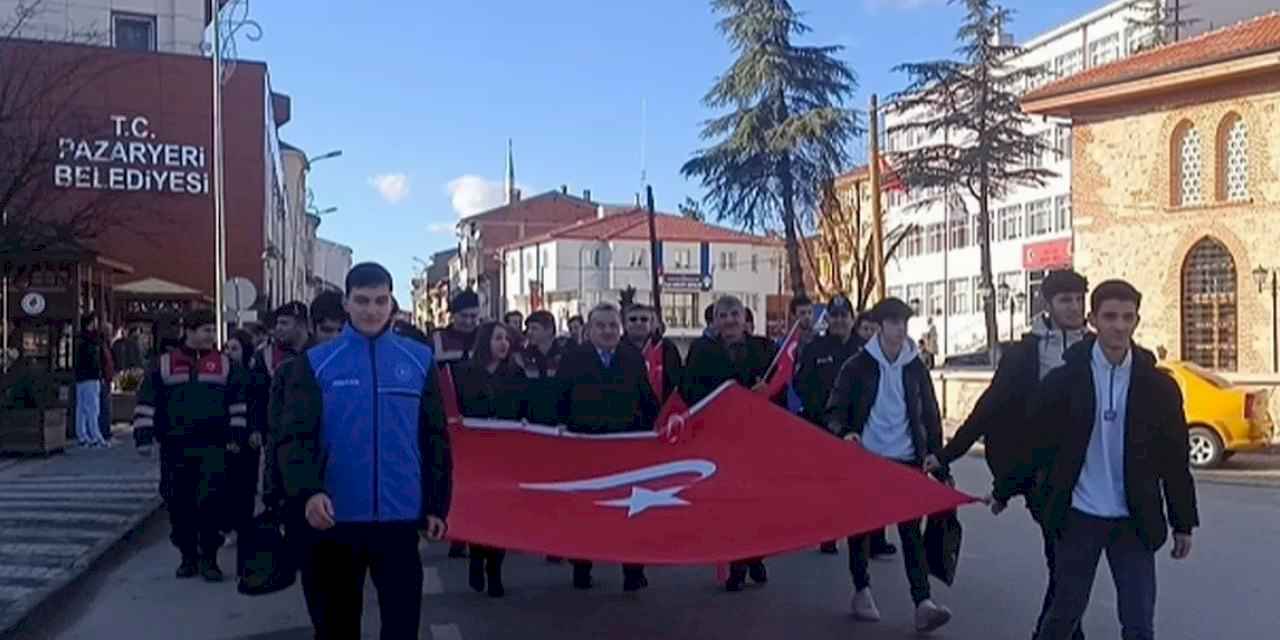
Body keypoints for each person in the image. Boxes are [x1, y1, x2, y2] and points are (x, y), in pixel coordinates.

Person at [989, 280, 1198, 640]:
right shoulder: (1064, 381)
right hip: (1079, 516)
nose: (1119, 325)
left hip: (1134, 518)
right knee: (1063, 616)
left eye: (1127, 317)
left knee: (1138, 623)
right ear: (1093, 320)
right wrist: (1004, 488)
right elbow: (1034, 444)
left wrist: (1183, 521)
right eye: (1110, 316)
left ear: (1136, 321)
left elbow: (1174, 459)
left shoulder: (1158, 388)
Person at [276, 262, 451, 639]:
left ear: (392, 303)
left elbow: (435, 436)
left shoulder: (417, 361)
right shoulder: (317, 364)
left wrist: (437, 504)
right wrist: (308, 492)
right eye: (362, 301)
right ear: (347, 303)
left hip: (400, 518)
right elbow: (294, 438)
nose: (372, 310)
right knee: (337, 627)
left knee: (402, 627)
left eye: (380, 300)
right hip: (336, 519)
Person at [925, 269, 1090, 640]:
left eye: (1080, 299)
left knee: (1068, 565)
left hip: (1088, 471)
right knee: (1064, 561)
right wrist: (948, 454)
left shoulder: (1095, 347)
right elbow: (990, 408)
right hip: (1039, 474)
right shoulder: (1024, 353)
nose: (1075, 307)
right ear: (1047, 304)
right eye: (1066, 300)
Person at [826, 297, 952, 632]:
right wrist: (846, 433)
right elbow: (835, 408)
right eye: (894, 323)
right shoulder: (857, 366)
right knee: (861, 527)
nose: (900, 330)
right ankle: (861, 589)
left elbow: (929, 414)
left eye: (904, 323)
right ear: (879, 327)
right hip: (867, 459)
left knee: (911, 532)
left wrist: (936, 457)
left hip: (907, 460)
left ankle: (923, 602)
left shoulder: (916, 367)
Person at [133, 309, 250, 582]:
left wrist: (236, 437)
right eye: (206, 330)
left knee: (211, 502)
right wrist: (144, 437)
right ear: (190, 332)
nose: (212, 335)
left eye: (213, 330)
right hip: (175, 446)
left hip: (214, 447)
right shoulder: (163, 364)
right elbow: (147, 401)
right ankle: (188, 556)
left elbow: (237, 403)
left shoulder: (224, 365)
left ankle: (210, 559)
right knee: (177, 501)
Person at [556, 302, 659, 592]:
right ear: (589, 330)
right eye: (601, 325)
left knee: (631, 511)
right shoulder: (573, 358)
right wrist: (558, 427)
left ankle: (633, 569)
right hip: (585, 446)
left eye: (613, 325)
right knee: (586, 511)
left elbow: (646, 398)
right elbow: (558, 396)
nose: (608, 331)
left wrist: (658, 428)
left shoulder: (632, 358)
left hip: (626, 446)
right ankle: (582, 565)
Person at [683, 295, 778, 591]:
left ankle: (754, 556)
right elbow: (689, 389)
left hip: (755, 437)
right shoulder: (701, 350)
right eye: (723, 316)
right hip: (719, 436)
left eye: (734, 314)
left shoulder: (764, 348)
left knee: (755, 502)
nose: (729, 321)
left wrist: (768, 390)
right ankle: (738, 561)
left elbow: (781, 384)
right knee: (729, 503)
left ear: (744, 317)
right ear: (715, 321)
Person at [793, 294, 872, 555]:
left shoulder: (866, 350)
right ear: (827, 319)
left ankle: (859, 532)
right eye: (834, 316)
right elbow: (801, 384)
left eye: (844, 316)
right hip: (824, 426)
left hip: (859, 427)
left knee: (858, 484)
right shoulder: (816, 348)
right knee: (828, 483)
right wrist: (821, 412)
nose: (839, 321)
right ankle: (829, 532)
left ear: (852, 319)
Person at [454, 321, 527, 598]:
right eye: (498, 338)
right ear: (486, 341)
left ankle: (495, 572)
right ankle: (476, 559)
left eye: (507, 339)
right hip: (475, 451)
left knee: (500, 514)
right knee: (479, 510)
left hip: (505, 452)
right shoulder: (464, 373)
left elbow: (525, 406)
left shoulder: (515, 374)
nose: (503, 344)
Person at [237, 302, 310, 535]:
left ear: (301, 326)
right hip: (276, 434)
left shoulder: (317, 352)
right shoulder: (265, 356)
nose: (278, 328)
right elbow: (256, 395)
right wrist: (256, 427)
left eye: (284, 323)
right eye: (277, 323)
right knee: (276, 487)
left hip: (312, 433)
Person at [519, 310, 573, 427]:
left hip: (559, 425)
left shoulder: (566, 357)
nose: (529, 333)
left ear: (548, 330)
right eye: (528, 329)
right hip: (530, 424)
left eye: (534, 328)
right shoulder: (524, 357)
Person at [621, 303, 683, 401]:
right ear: (624, 324)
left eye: (644, 319)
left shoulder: (666, 348)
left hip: (661, 410)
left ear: (651, 324)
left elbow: (678, 383)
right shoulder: (615, 349)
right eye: (633, 319)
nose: (638, 323)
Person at [74, 314, 108, 448]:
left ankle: (82, 436)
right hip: (91, 377)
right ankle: (96, 437)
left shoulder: (79, 339)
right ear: (91, 323)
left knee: (81, 408)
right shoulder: (93, 341)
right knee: (93, 408)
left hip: (80, 378)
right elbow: (95, 360)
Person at [432, 290, 481, 365]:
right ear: (453, 316)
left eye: (473, 316)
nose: (468, 321)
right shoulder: (439, 339)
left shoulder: (486, 338)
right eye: (463, 316)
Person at [98, 321, 116, 444]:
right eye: (109, 331)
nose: (110, 334)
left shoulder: (107, 345)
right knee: (103, 407)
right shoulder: (102, 345)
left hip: (106, 378)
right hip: (103, 378)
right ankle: (104, 431)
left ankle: (106, 430)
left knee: (106, 406)